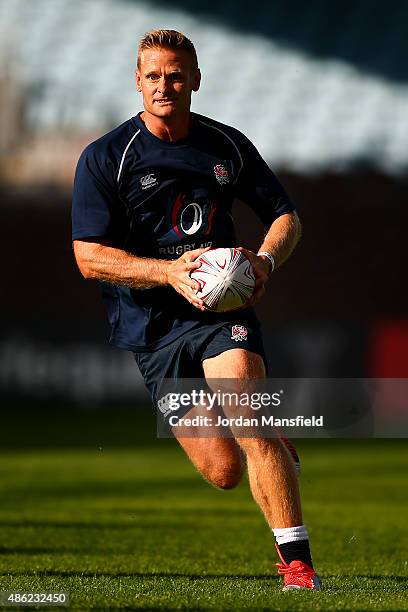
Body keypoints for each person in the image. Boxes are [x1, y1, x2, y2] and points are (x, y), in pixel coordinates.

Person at [72, 29, 321, 591]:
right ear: (137, 81)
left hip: (220, 313)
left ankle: (298, 568)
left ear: (196, 80)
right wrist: (169, 273)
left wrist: (264, 262)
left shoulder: (225, 146)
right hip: (151, 327)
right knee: (224, 471)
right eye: (154, 75)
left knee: (251, 423)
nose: (165, 85)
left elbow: (287, 217)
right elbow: (88, 258)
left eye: (177, 74)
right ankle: (271, 450)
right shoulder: (106, 158)